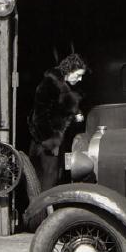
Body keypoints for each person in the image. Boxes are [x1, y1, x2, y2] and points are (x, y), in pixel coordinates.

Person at [29, 52, 89, 190]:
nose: (80, 79)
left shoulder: (66, 86)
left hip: (55, 143)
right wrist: (50, 142)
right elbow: (39, 116)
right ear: (70, 70)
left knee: (54, 179)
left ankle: (49, 211)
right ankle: (42, 211)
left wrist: (76, 114)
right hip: (45, 145)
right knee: (46, 182)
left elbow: (62, 110)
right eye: (78, 75)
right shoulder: (50, 84)